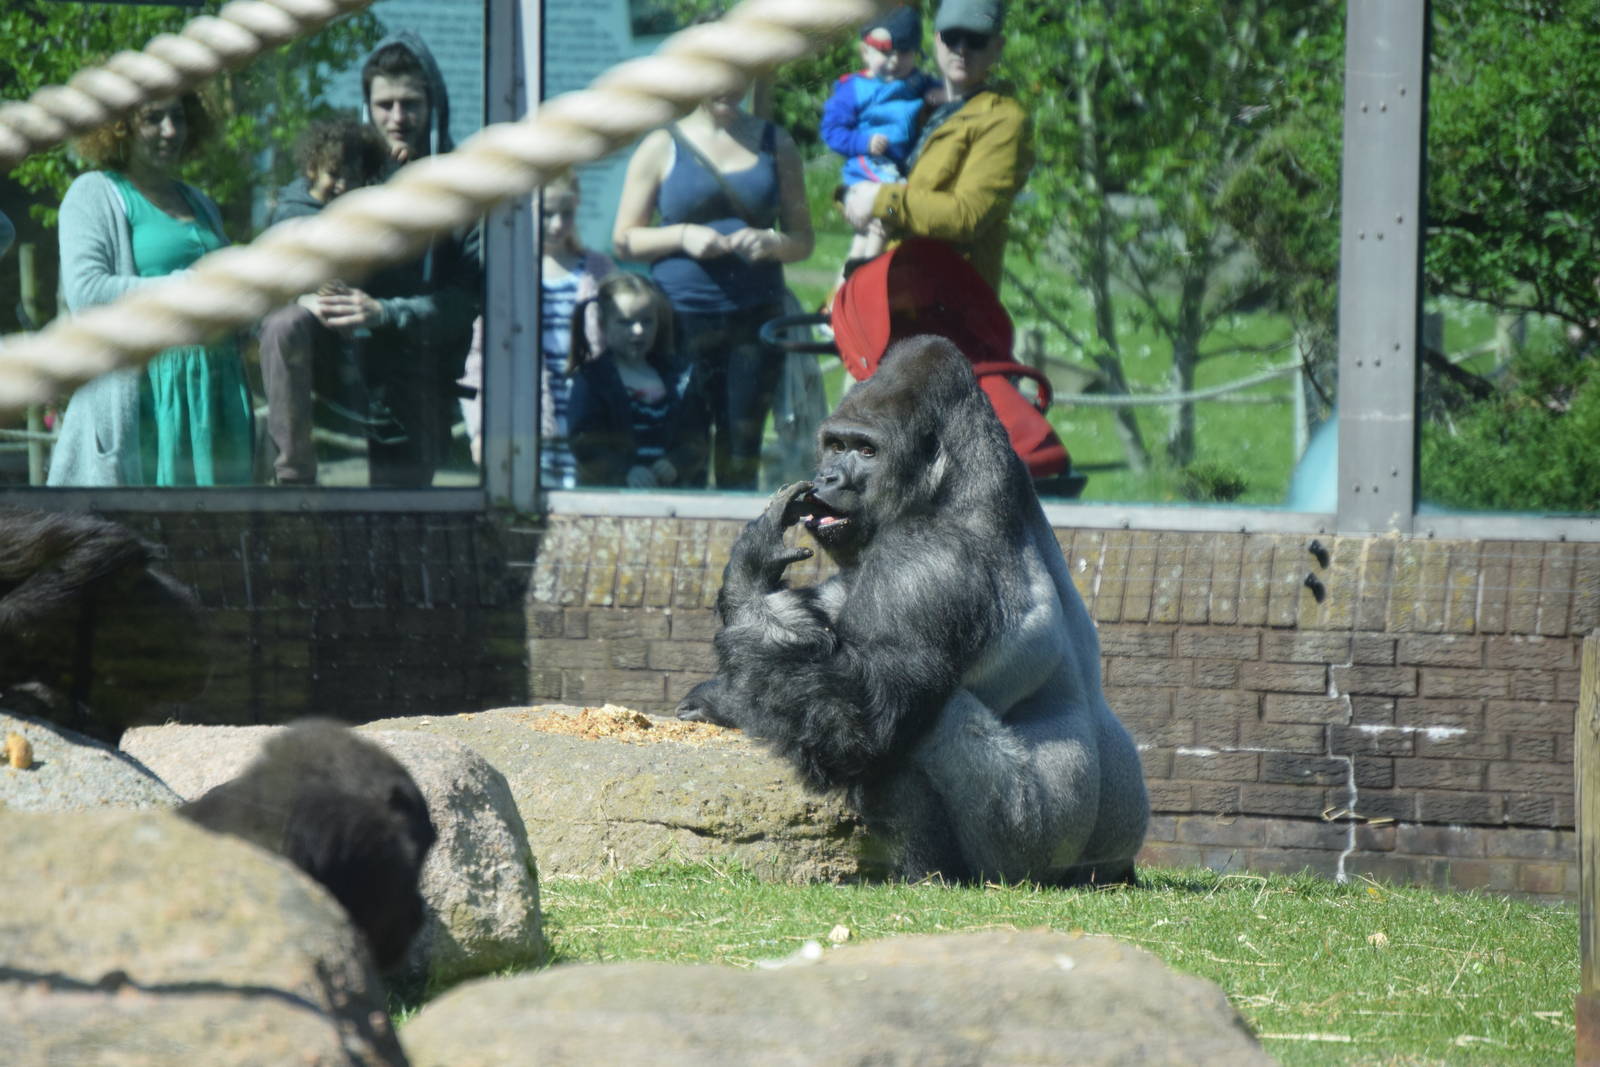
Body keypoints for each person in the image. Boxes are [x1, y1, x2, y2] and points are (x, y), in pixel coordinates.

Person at [258, 32, 482, 487]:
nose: (397, 118)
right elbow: (289, 220)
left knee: (399, 520)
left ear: (433, 103)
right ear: (367, 106)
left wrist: (384, 312)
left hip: (413, 366)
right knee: (283, 323)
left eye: (410, 103)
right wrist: (373, 191)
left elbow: (466, 299)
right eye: (385, 105)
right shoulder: (344, 158)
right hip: (335, 362)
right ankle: (293, 483)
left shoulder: (463, 182)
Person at [48, 94, 254, 487]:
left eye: (178, 117)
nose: (170, 131)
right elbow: (87, 295)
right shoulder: (92, 193)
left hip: (216, 396)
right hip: (146, 401)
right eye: (153, 118)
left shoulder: (202, 202)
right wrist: (188, 287)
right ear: (119, 127)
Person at [612, 92, 814, 490]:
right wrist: (683, 236)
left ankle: (737, 548)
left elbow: (803, 240)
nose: (728, 88)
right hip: (680, 317)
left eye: (737, 75)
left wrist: (773, 242)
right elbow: (624, 239)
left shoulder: (777, 142)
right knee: (680, 448)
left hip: (755, 316)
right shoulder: (662, 144)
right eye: (717, 77)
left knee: (741, 452)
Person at [843, 0, 1033, 294]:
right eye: (952, 37)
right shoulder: (913, 103)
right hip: (884, 289)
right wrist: (852, 196)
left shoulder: (1003, 120)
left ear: (997, 46)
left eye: (976, 40)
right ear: (936, 39)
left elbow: (967, 216)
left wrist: (880, 200)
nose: (962, 49)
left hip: (946, 308)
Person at [256, 116, 392, 483]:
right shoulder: (289, 214)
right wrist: (302, 298)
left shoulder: (368, 214)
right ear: (312, 168)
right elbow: (265, 288)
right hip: (306, 337)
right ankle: (293, 470)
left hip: (355, 343)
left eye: (353, 176)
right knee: (286, 325)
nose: (343, 185)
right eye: (334, 173)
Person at [458, 174, 615, 478]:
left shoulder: (597, 269)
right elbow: (477, 365)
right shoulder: (509, 271)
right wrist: (479, 430)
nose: (557, 225)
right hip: (527, 426)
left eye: (566, 214)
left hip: (589, 428)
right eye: (546, 214)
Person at [566, 273, 708, 488]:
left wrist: (677, 462)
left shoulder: (679, 377)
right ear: (603, 324)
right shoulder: (592, 379)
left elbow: (697, 437)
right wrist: (623, 472)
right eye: (625, 322)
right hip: (610, 500)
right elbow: (585, 442)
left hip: (673, 498)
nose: (638, 330)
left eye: (647, 321)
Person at [820, 6, 938, 265]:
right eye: (885, 52)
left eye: (904, 53)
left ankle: (849, 282)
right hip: (869, 164)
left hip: (896, 165)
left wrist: (938, 96)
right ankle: (867, 271)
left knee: (867, 231)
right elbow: (831, 131)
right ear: (865, 51)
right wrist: (862, 142)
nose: (895, 61)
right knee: (885, 215)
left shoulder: (919, 82)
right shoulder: (855, 88)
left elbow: (941, 89)